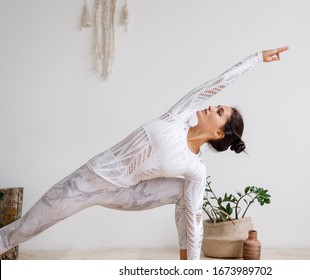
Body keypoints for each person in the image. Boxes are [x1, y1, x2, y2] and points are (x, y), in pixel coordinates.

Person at [0, 46, 288, 260]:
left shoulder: (195, 167)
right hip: (89, 180)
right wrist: (255, 59)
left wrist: (195, 266)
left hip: (125, 193)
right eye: (217, 105)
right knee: (26, 228)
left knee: (186, 196)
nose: (212, 106)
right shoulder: (178, 116)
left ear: (218, 133)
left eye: (219, 111)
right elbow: (216, 82)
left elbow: (194, 218)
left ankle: (187, 268)